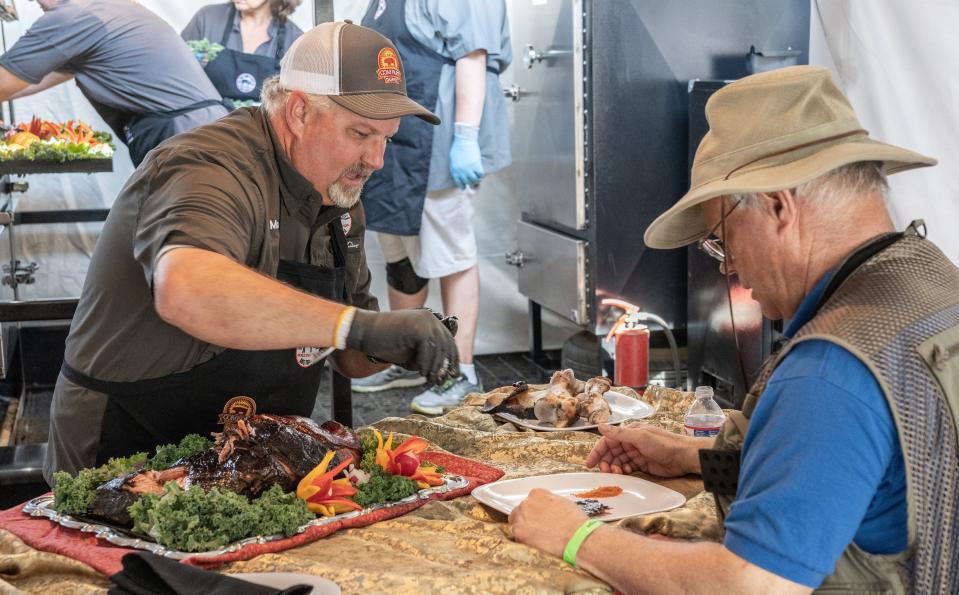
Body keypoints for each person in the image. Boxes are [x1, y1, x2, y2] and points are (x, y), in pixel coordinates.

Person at [509, 66, 959, 593]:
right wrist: (698, 458)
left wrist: (576, 536)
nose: (727, 267)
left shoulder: (830, 371)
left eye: (721, 236)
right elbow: (866, 474)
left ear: (777, 206)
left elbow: (749, 585)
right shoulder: (933, 280)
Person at [44, 21, 458, 486]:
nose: (376, 159)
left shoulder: (339, 198)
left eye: (387, 137)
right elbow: (187, 288)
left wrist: (398, 341)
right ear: (299, 112)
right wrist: (357, 325)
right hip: (129, 443)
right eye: (361, 134)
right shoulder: (208, 165)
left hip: (246, 458)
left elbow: (352, 360)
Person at [350, 0, 512, 414]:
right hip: (399, 140)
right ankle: (410, 358)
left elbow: (472, 57)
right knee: (399, 251)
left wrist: (466, 136)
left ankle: (461, 372)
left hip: (439, 137)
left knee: (450, 252)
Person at [0, 0, 229, 166]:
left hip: (183, 137)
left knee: (186, 226)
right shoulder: (108, 7)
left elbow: (4, 83)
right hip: (206, 129)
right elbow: (24, 80)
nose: (34, 2)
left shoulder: (72, 16)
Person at [182, 0, 304, 107]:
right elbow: (178, 76)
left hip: (260, 131)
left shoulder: (295, 40)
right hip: (204, 127)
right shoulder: (207, 19)